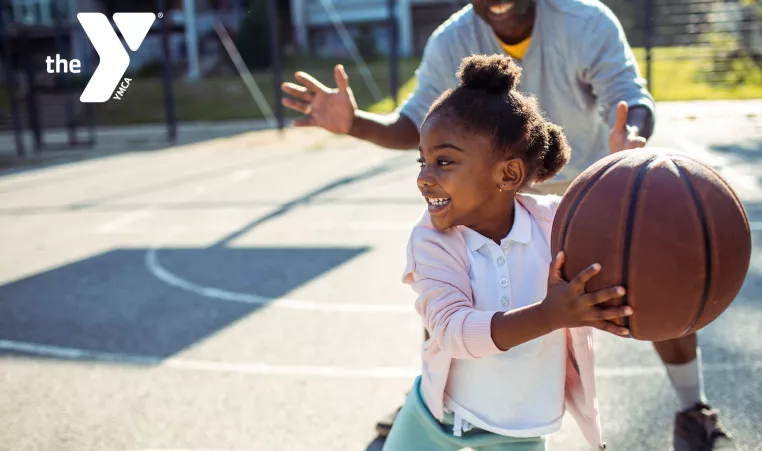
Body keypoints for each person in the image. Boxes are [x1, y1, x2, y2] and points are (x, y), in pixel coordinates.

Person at [280, 1, 735, 449]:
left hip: (588, 191)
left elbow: (629, 96)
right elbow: (415, 122)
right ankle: (441, 395)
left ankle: (692, 407)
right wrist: (355, 123)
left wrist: (630, 139)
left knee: (656, 271)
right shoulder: (452, 39)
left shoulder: (586, 20)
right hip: (478, 189)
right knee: (454, 290)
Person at [383, 53, 632, 451]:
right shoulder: (431, 239)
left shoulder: (555, 226)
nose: (424, 178)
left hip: (521, 428)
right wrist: (550, 315)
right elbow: (452, 332)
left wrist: (625, 170)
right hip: (438, 415)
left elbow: (620, 237)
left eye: (443, 161)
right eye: (423, 161)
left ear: (509, 174)